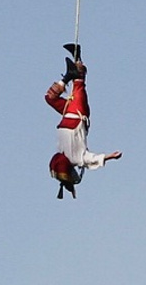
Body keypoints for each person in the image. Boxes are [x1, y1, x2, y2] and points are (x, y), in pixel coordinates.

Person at [46, 43, 122, 198]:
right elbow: (91, 160)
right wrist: (110, 156)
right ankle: (77, 56)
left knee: (50, 97)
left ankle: (68, 74)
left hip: (67, 112)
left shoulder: (62, 152)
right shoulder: (77, 159)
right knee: (79, 83)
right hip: (79, 112)